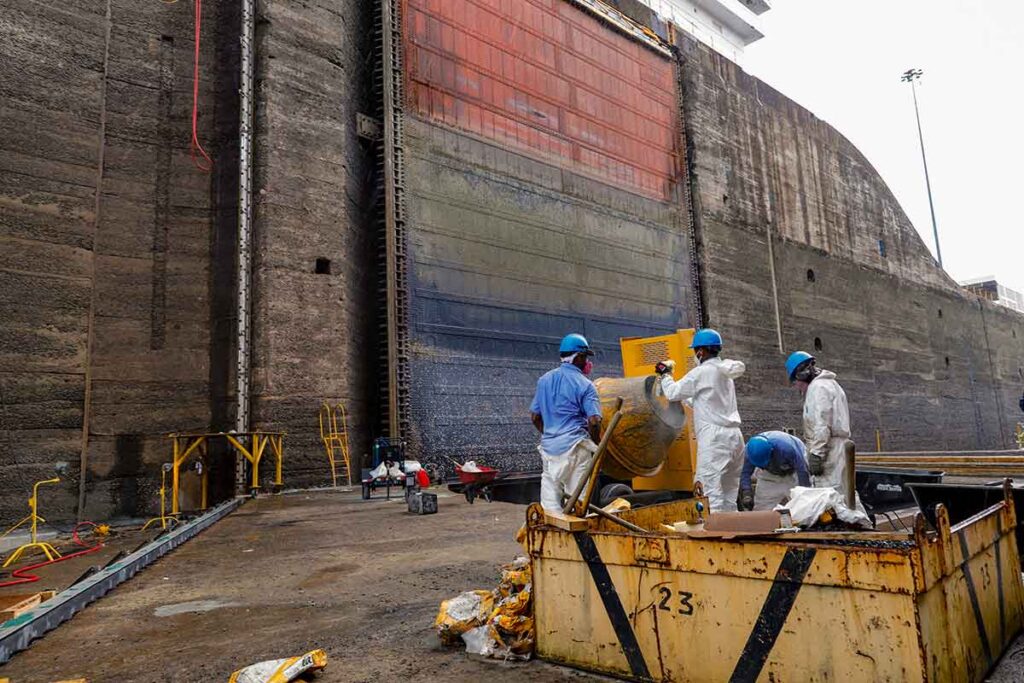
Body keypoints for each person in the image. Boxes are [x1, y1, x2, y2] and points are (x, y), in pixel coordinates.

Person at [655, 328, 746, 512]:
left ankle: (716, 535)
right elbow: (702, 400)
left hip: (715, 439)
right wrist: (684, 397)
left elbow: (672, 392)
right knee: (729, 495)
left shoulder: (700, 373)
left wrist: (665, 375)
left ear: (701, 351)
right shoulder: (724, 374)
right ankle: (734, 531)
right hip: (735, 438)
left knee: (709, 493)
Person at [530, 333, 602, 513]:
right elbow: (594, 421)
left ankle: (553, 538)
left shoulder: (544, 380)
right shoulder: (585, 385)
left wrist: (550, 435)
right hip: (576, 450)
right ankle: (576, 539)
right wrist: (596, 444)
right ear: (578, 357)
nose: (586, 363)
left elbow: (535, 417)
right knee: (577, 507)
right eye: (585, 357)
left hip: (548, 451)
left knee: (550, 509)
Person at [785, 351, 852, 495]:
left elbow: (822, 424)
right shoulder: (831, 384)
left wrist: (816, 454)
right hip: (837, 448)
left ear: (800, 375)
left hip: (830, 451)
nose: (797, 387)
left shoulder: (818, 388)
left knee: (831, 498)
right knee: (846, 497)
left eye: (796, 383)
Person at [738, 431, 811, 511]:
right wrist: (746, 492)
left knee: (802, 506)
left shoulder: (787, 449)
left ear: (771, 451)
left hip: (793, 472)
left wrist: (805, 492)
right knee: (761, 509)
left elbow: (802, 470)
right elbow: (745, 473)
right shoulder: (750, 452)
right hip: (769, 474)